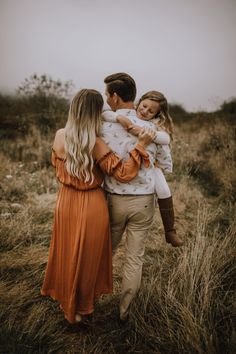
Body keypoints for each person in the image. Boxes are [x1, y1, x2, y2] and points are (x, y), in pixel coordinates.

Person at [41, 89, 154, 324]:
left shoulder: (60, 135)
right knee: (86, 258)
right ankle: (80, 309)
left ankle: (68, 306)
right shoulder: (96, 143)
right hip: (92, 203)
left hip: (65, 202)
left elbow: (55, 164)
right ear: (96, 114)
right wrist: (141, 145)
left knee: (67, 252)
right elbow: (123, 173)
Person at [101, 72, 166, 321]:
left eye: (107, 94)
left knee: (104, 252)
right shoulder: (152, 128)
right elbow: (162, 162)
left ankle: (89, 301)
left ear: (115, 96)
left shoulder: (104, 124)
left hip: (114, 200)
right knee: (134, 258)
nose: (107, 99)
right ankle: (125, 311)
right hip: (144, 201)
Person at [102, 90, 183, 248]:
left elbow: (165, 141)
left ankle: (170, 230)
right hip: (127, 177)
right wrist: (121, 118)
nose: (145, 111)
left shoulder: (154, 128)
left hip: (147, 168)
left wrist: (143, 133)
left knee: (165, 191)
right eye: (144, 106)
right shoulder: (119, 118)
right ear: (139, 103)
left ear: (157, 114)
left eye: (151, 111)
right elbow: (105, 114)